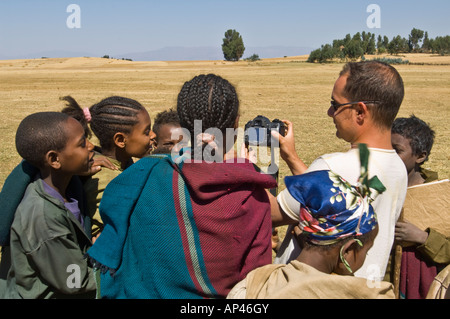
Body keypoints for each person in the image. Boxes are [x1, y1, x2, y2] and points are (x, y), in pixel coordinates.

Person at [86, 74, 277, 299]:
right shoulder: (251, 194)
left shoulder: (140, 176)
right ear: (236, 123)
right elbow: (256, 281)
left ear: (184, 125)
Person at [271, 60, 408, 282]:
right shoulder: (398, 168)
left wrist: (243, 164)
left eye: (335, 105)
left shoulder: (333, 166)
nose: (329, 112)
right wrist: (292, 158)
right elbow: (333, 197)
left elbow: (269, 214)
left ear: (360, 112)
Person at [227, 144, 395, 299]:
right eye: (367, 250)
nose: (366, 256)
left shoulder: (253, 284)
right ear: (347, 251)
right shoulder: (370, 294)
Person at [0, 112, 96, 298]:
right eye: (82, 143)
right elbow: (75, 281)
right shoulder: (44, 218)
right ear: (54, 160)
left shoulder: (64, 188)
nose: (91, 146)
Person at [60, 95, 157, 238]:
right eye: (146, 131)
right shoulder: (107, 179)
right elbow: (114, 229)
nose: (153, 135)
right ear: (120, 140)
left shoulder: (123, 165)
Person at [390, 115, 450, 298]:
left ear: (420, 156)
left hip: (424, 282)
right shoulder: (377, 185)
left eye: (396, 150)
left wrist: (422, 237)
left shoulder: (440, 195)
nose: (389, 156)